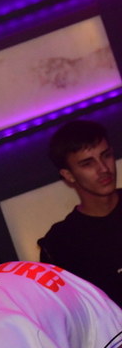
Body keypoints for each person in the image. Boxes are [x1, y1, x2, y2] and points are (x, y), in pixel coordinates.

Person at [38, 119, 122, 306]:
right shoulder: (61, 243)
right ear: (68, 175)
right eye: (87, 163)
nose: (104, 169)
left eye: (106, 155)